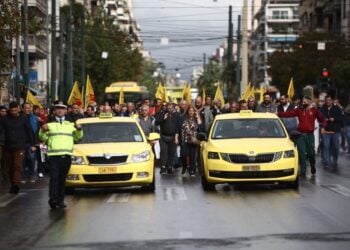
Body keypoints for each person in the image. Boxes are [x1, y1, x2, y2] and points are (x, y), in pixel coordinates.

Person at [39, 101, 83, 209]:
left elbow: (78, 138)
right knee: (54, 177)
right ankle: (53, 199)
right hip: (54, 156)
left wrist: (79, 129)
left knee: (62, 178)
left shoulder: (70, 125)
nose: (60, 110)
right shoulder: (49, 125)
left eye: (62, 109)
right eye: (57, 109)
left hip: (66, 155)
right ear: (54, 111)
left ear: (65, 111)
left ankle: (60, 200)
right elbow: (42, 138)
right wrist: (43, 131)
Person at [278, 96, 326, 176]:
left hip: (310, 135)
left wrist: (323, 127)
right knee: (301, 153)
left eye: (305, 101)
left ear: (309, 102)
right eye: (302, 101)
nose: (303, 103)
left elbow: (322, 119)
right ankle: (303, 172)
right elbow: (289, 114)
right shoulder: (299, 110)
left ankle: (312, 165)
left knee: (311, 153)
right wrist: (278, 113)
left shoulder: (314, 111)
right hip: (300, 135)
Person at [0, 101, 35, 194]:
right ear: (9, 110)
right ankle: (13, 182)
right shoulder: (4, 119)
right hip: (7, 146)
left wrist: (33, 144)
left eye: (15, 110)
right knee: (9, 167)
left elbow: (29, 131)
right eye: (12, 111)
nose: (14, 112)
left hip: (20, 146)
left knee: (17, 165)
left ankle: (16, 184)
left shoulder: (23, 118)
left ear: (18, 109)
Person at [176, 106, 203, 176]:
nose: (191, 112)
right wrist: (176, 137)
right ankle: (185, 166)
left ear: (194, 112)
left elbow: (201, 129)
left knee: (193, 156)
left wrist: (198, 118)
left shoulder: (196, 119)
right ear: (187, 111)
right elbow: (178, 129)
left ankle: (192, 170)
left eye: (192, 111)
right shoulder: (183, 119)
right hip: (184, 139)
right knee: (183, 154)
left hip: (194, 140)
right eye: (190, 111)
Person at [319, 95, 344, 170]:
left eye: (329, 100)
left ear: (332, 101)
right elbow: (319, 118)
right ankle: (326, 161)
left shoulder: (337, 108)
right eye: (326, 100)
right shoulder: (322, 109)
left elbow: (341, 118)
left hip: (335, 131)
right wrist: (323, 123)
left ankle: (335, 160)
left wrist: (334, 119)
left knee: (336, 147)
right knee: (326, 146)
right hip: (325, 131)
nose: (328, 101)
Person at [155, 102, 180, 174]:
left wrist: (176, 137)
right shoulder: (162, 113)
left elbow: (177, 127)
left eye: (171, 108)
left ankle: (169, 166)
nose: (169, 110)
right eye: (168, 108)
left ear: (173, 108)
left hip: (172, 136)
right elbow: (156, 122)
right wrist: (163, 118)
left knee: (171, 152)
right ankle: (163, 167)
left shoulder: (177, 115)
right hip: (163, 136)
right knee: (163, 151)